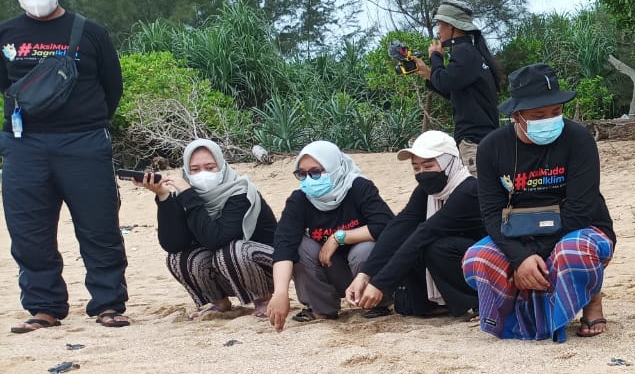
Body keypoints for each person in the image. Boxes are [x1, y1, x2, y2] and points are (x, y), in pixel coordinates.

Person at [0, 0, 130, 331]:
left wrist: (86, 123)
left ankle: (108, 303)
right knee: (29, 231)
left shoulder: (89, 32)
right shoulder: (6, 33)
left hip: (83, 142)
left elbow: (112, 87)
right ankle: (44, 307)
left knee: (99, 226)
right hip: (24, 145)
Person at [463, 63, 615, 341]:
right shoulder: (491, 148)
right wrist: (520, 257)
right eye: (538, 114)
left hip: (579, 227)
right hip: (516, 231)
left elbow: (582, 208)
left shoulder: (579, 139)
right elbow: (491, 214)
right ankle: (515, 315)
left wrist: (530, 254)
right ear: (517, 116)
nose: (549, 119)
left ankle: (592, 298)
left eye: (556, 112)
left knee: (574, 253)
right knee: (477, 258)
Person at [346, 130, 484, 318]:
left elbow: (426, 232)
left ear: (449, 163)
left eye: (428, 166)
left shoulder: (468, 191)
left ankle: (474, 303)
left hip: (480, 254)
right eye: (416, 168)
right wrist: (366, 274)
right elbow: (400, 225)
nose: (422, 174)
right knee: (409, 305)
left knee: (434, 247)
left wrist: (380, 284)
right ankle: (436, 303)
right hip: (449, 254)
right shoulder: (427, 192)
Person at [138, 139, 277, 319]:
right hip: (228, 268)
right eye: (195, 170)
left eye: (210, 168)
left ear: (222, 166)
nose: (203, 174)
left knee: (231, 250)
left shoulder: (240, 193)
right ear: (187, 171)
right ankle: (219, 303)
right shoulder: (186, 196)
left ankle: (263, 299)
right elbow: (173, 244)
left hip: (269, 265)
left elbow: (217, 239)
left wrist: (189, 195)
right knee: (180, 258)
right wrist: (164, 197)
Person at [266, 141, 394, 331]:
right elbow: (284, 245)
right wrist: (280, 292)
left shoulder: (358, 187)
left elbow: (387, 226)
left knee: (365, 248)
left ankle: (377, 303)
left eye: (316, 172)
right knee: (298, 246)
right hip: (331, 269)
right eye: (302, 174)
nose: (309, 179)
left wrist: (339, 237)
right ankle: (321, 307)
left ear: (335, 167)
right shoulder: (300, 199)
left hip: (364, 269)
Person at [412, 0, 500, 173]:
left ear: (451, 26)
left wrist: (436, 57)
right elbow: (454, 91)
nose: (438, 31)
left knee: (476, 194)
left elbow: (445, 83)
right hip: (483, 138)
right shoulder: (473, 52)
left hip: (473, 141)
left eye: (440, 25)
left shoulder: (463, 52)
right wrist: (429, 74)